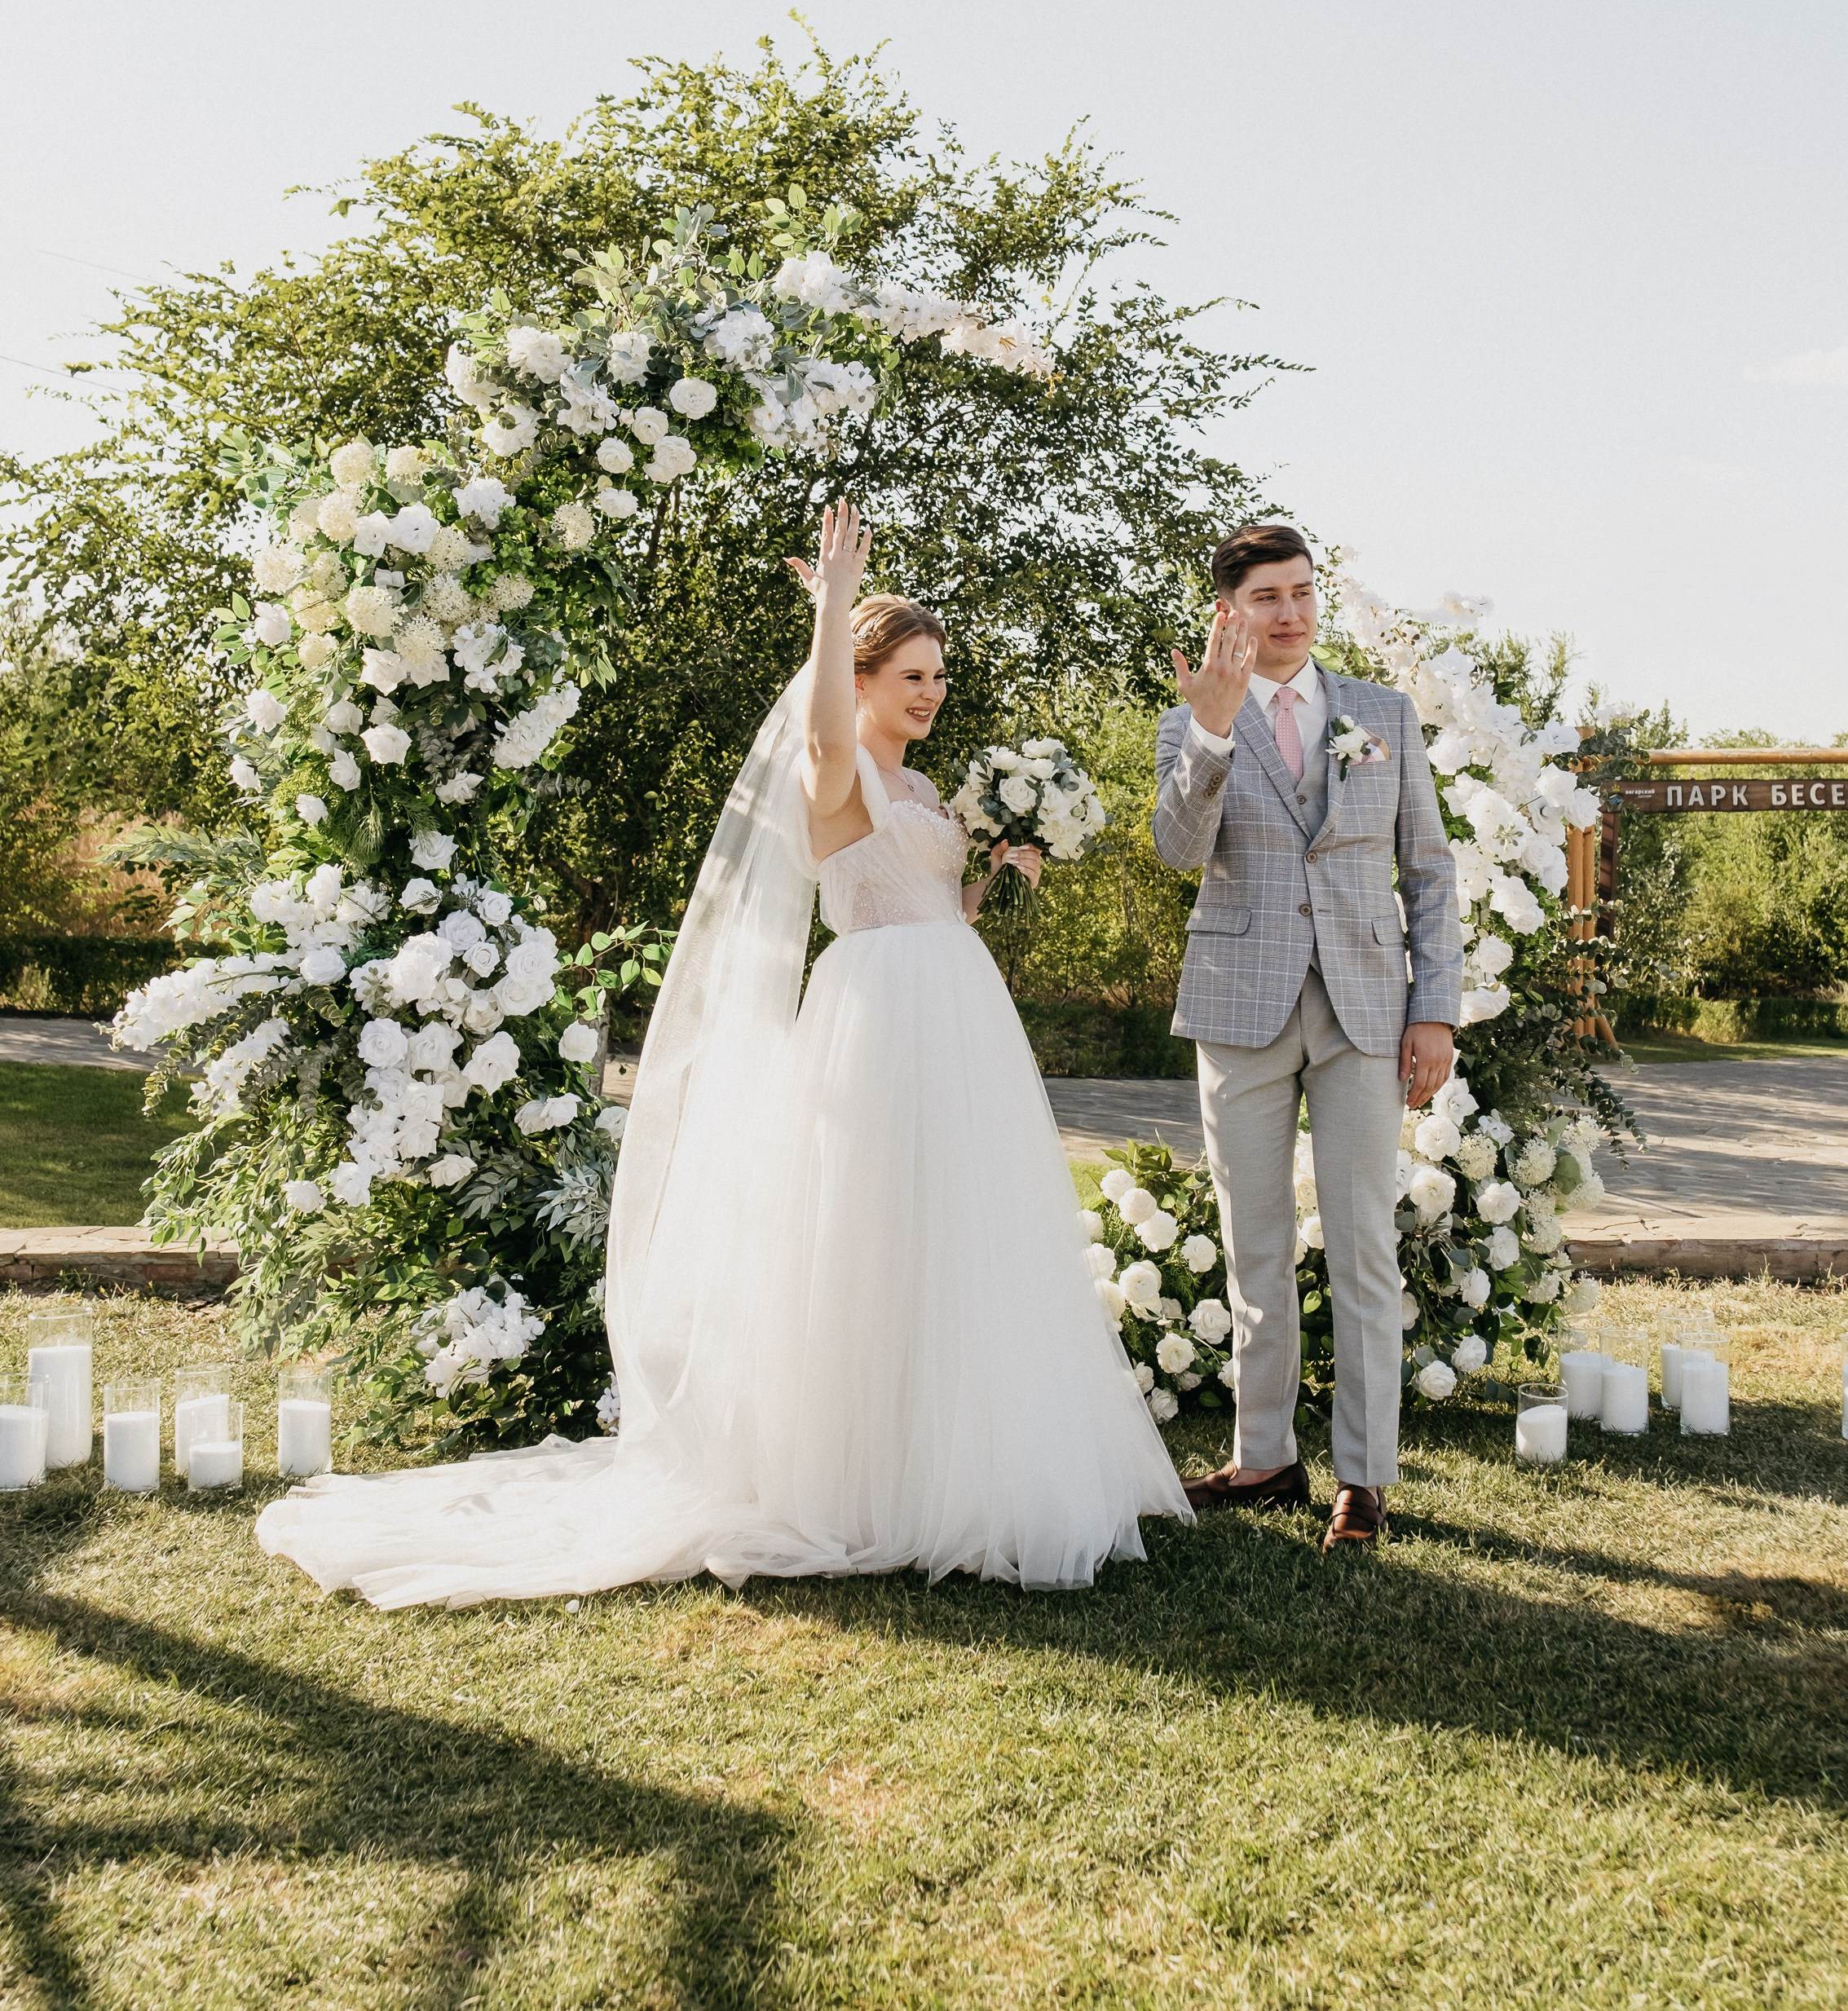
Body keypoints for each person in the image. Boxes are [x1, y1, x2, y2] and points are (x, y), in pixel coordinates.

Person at [258, 502, 1189, 1606]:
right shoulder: (829, 776)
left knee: (956, 1224)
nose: (932, 694)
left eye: (940, 677)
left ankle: (963, 1455)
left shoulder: (935, 792)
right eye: (911, 677)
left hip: (957, 1008)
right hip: (877, 1018)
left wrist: (999, 872)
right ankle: (870, 1478)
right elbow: (833, 755)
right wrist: (836, 604)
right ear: (860, 678)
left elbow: (932, 902)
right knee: (874, 1227)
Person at [1153, 523, 1461, 1551]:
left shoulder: (1382, 716)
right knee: (1256, 1243)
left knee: (1362, 1245)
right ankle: (1265, 1455)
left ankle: (1364, 1479)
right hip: (1240, 1006)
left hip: (1366, 1011)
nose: (1287, 612)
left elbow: (1428, 871)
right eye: (1265, 597)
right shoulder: (1192, 718)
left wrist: (1435, 1007)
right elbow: (1174, 850)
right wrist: (1209, 731)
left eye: (1299, 591)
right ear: (1227, 613)